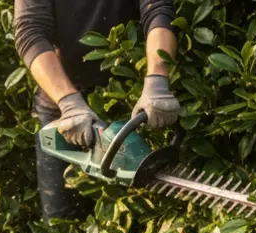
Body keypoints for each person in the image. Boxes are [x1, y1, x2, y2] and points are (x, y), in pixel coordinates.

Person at [14, 0, 180, 220]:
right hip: (61, 104)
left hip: (129, 94)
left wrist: (158, 80)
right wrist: (69, 102)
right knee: (62, 221)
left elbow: (158, 8)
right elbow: (30, 31)